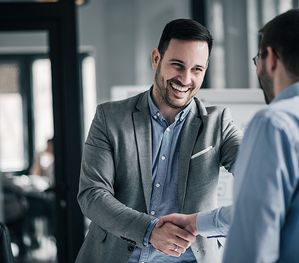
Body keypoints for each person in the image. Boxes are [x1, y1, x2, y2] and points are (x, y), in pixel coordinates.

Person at [158, 8, 299, 263]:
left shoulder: (274, 124)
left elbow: (252, 236)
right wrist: (197, 222)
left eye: (257, 60)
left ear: (271, 59)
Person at [75, 18, 241, 263]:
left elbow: (260, 179)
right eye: (177, 65)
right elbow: (92, 195)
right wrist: (149, 230)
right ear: (156, 59)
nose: (185, 79)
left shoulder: (219, 123)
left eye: (197, 69)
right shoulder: (109, 118)